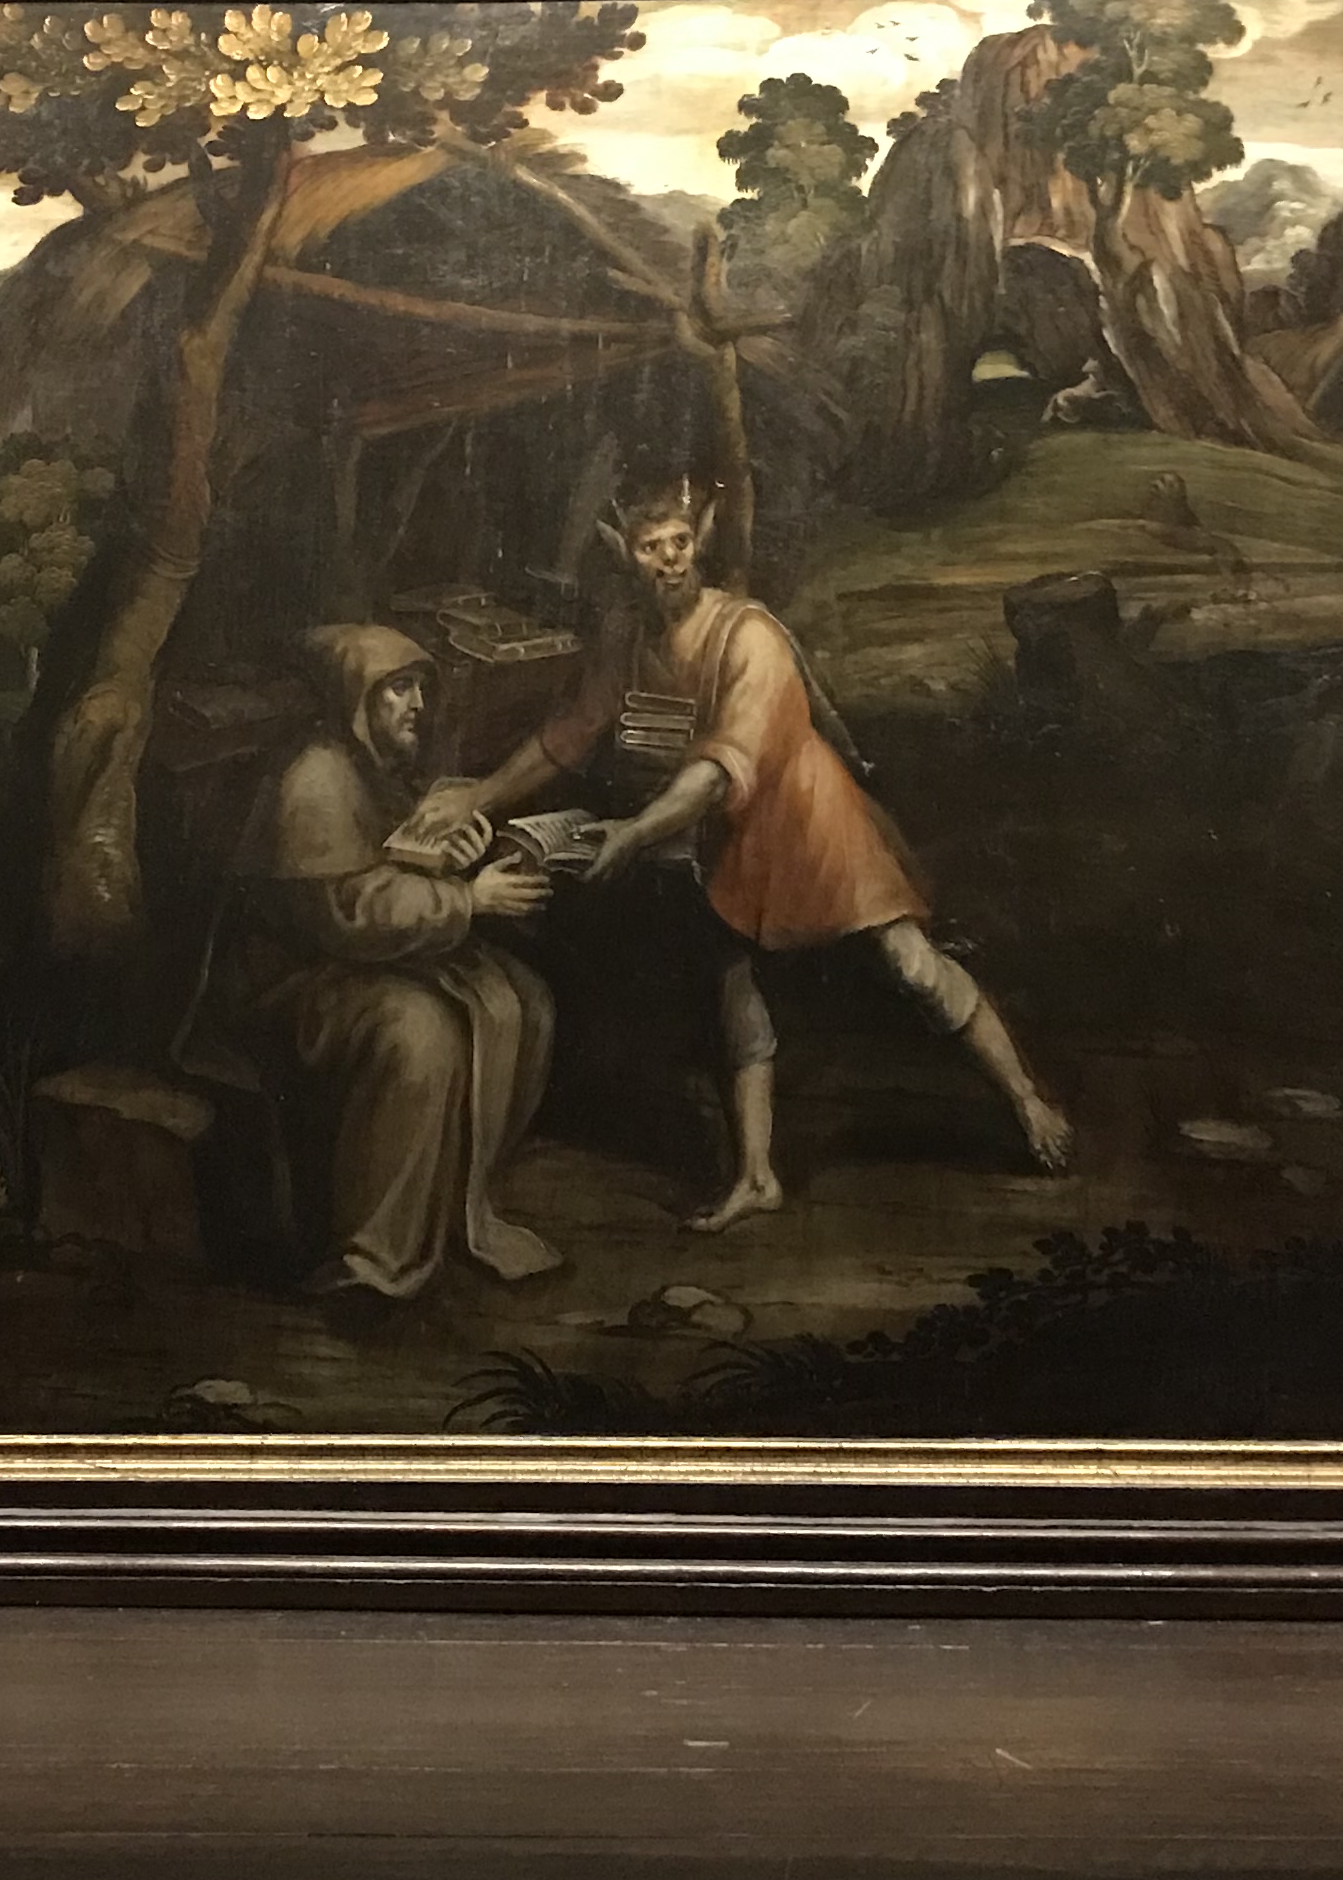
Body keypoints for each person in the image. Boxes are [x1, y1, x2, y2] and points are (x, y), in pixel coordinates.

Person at [410, 476, 1071, 1233]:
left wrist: (635, 833)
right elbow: (573, 729)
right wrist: (481, 795)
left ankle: (1027, 1099)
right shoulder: (627, 636)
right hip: (715, 832)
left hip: (805, 820)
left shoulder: (749, 635)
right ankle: (757, 1175)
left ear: (700, 541)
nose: (669, 561)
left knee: (910, 964)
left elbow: (722, 767)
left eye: (679, 543)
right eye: (650, 547)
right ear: (621, 553)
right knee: (726, 977)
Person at [191, 623, 561, 1299]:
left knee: (526, 1003)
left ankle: (457, 1210)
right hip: (288, 983)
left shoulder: (376, 766)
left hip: (354, 963)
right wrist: (467, 899)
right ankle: (374, 1256)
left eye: (420, 687)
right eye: (398, 689)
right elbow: (347, 909)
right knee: (418, 1033)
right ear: (354, 697)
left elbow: (385, 864)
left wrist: (446, 860)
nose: (417, 704)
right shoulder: (315, 776)